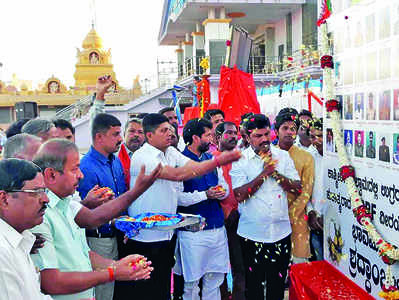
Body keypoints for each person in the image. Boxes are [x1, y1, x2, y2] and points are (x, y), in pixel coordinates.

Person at [127, 113, 241, 300]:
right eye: (164, 131)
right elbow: (177, 174)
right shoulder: (143, 156)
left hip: (166, 233)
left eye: (171, 131)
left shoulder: (171, 152)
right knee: (146, 289)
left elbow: (193, 166)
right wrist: (218, 162)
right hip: (145, 235)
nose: (170, 134)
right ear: (149, 136)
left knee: (163, 287)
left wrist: (214, 165)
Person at [30, 139, 159, 300]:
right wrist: (112, 273)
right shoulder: (38, 215)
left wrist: (117, 265)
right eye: (75, 169)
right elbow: (51, 283)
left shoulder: (67, 204)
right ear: (51, 174)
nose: (81, 175)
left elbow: (84, 254)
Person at [230, 114, 301, 300]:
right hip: (251, 235)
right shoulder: (239, 160)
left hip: (280, 233)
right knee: (253, 287)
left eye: (266, 134)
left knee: (277, 287)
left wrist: (275, 173)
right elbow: (239, 195)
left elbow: (297, 188)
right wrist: (264, 173)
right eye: (257, 136)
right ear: (246, 137)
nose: (264, 140)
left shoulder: (283, 156)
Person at [174, 118, 230, 300]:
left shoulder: (211, 159)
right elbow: (178, 198)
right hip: (193, 233)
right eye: (208, 135)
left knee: (215, 278)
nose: (212, 138)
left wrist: (222, 192)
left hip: (217, 228)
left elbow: (224, 186)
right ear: (196, 138)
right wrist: (205, 195)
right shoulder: (179, 162)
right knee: (191, 283)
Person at [77, 113, 127, 300]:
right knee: (102, 290)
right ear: (99, 137)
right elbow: (87, 211)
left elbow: (120, 198)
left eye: (119, 133)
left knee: (112, 288)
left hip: (117, 234)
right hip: (99, 238)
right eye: (115, 134)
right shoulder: (86, 167)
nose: (120, 139)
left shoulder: (115, 161)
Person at [0, 159, 52, 299]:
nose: (46, 199)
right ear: (4, 199)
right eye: (36, 192)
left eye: (44, 191)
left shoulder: (21, 239)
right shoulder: (2, 251)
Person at [275, 108, 314, 264]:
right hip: (273, 221)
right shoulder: (268, 155)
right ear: (276, 130)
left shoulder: (306, 157)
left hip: (297, 220)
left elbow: (306, 191)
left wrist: (290, 215)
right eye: (285, 128)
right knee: (275, 272)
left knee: (299, 269)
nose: (289, 132)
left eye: (293, 129)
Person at [214, 122, 246, 300]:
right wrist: (226, 213)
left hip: (240, 218)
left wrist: (236, 210)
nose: (234, 136)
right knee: (219, 267)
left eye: (235, 133)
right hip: (219, 221)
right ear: (218, 138)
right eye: (228, 133)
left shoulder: (242, 158)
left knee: (240, 264)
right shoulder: (211, 160)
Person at [307, 118, 326, 261]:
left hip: (334, 222)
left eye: (321, 135)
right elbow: (304, 189)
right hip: (315, 222)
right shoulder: (309, 156)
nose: (316, 140)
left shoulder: (340, 158)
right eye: (313, 137)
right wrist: (310, 212)